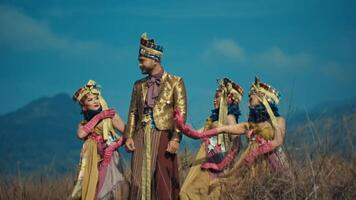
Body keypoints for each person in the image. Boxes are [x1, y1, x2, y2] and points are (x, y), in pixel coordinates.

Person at [175, 77, 290, 178]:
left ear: (262, 99)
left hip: (273, 163)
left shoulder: (279, 121)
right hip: (252, 166)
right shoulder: (249, 125)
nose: (248, 104)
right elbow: (221, 129)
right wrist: (183, 127)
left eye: (251, 99)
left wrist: (255, 153)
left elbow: (278, 141)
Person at [125, 33, 187, 200]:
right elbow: (133, 112)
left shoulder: (175, 81)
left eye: (142, 60)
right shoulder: (138, 85)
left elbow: (180, 113)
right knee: (137, 179)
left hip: (163, 135)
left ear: (154, 60)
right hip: (140, 136)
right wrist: (128, 136)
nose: (139, 64)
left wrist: (176, 139)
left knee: (162, 179)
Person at [179, 78, 244, 200]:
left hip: (216, 162)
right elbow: (197, 133)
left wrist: (227, 161)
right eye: (214, 96)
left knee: (209, 194)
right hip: (203, 160)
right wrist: (182, 127)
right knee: (189, 192)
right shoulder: (213, 120)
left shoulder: (229, 117)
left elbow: (238, 143)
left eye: (217, 96)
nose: (214, 99)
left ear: (228, 99)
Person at [70, 80, 128, 200]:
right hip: (91, 158)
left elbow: (128, 133)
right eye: (90, 100)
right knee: (92, 187)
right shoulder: (83, 123)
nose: (95, 101)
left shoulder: (110, 116)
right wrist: (98, 117)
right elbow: (81, 134)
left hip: (109, 157)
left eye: (96, 97)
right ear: (84, 106)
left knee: (108, 189)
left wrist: (114, 146)